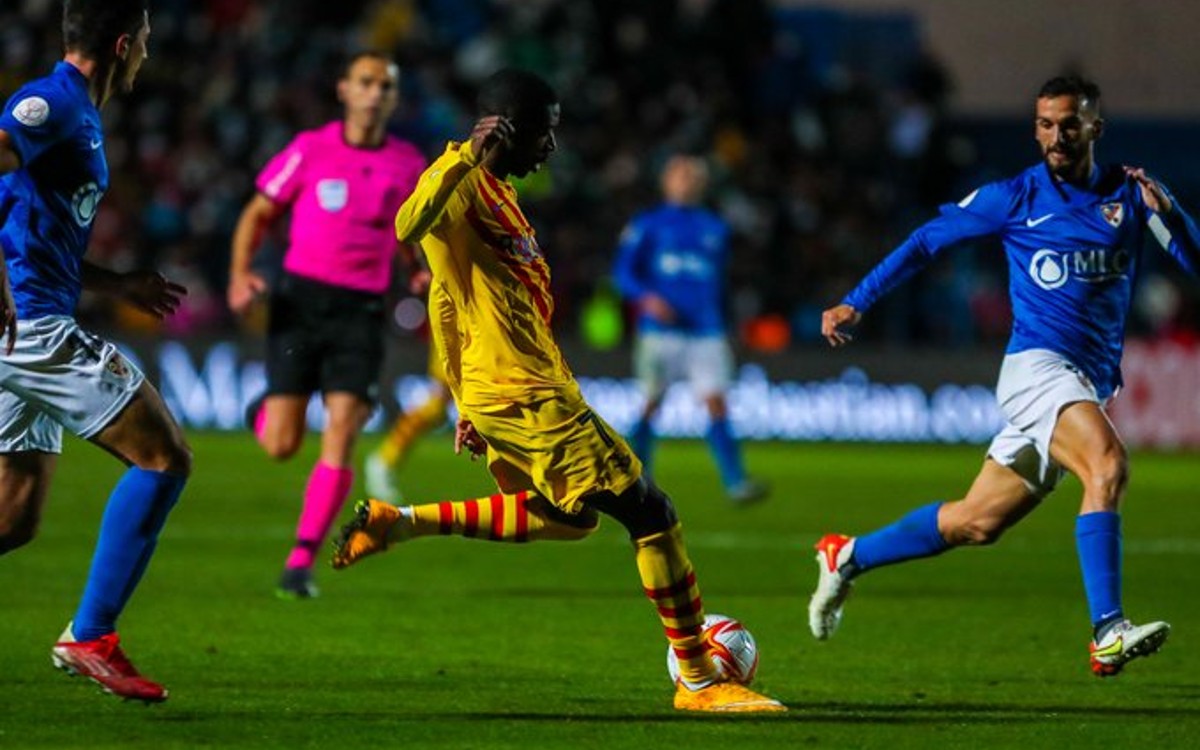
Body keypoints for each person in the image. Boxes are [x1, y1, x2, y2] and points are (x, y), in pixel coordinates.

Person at [331, 69, 785, 713]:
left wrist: (464, 400)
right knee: (651, 513)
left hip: (512, 389)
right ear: (505, 129)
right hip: (524, 393)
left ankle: (398, 523)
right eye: (544, 131)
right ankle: (699, 679)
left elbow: (449, 303)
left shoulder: (500, 195)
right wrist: (465, 155)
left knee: (568, 518)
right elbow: (408, 223)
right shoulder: (461, 183)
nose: (550, 145)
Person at [810, 75, 1199, 677]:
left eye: (1069, 125)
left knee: (976, 522)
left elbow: (1193, 258)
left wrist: (1170, 213)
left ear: (1095, 128)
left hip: (1086, 382)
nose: (1056, 136)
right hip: (1036, 369)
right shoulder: (1014, 197)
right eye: (1045, 125)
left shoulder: (1130, 194)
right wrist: (856, 301)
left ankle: (847, 556)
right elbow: (925, 242)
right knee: (1108, 465)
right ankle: (1108, 630)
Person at [0, 0, 191, 703]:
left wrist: (117, 284)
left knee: (12, 518)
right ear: (121, 44)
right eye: (144, 39)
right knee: (164, 456)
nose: (147, 52)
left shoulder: (78, 113)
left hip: (27, 323)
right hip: (31, 329)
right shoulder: (50, 105)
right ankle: (90, 636)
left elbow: (34, 233)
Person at [227, 51, 426, 599]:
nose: (375, 93)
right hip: (301, 301)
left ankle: (300, 562)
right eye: (366, 82)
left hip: (362, 309)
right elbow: (257, 212)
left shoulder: (408, 164)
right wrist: (241, 274)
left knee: (343, 428)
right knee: (281, 445)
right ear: (344, 89)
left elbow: (410, 231)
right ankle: (263, 413)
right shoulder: (310, 149)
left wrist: (415, 269)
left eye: (385, 86)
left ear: (394, 97)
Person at [612, 154, 767, 504]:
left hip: (705, 331)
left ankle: (736, 482)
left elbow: (720, 283)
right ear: (666, 181)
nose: (687, 182)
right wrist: (647, 299)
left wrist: (728, 322)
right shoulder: (648, 224)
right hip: (659, 331)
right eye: (680, 175)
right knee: (650, 403)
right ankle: (635, 481)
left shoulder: (715, 228)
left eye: (693, 176)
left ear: (703, 184)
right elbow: (623, 273)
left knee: (717, 403)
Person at [364, 341, 452, 503]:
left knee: (439, 403)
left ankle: (385, 460)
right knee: (438, 402)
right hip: (463, 332)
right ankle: (384, 459)